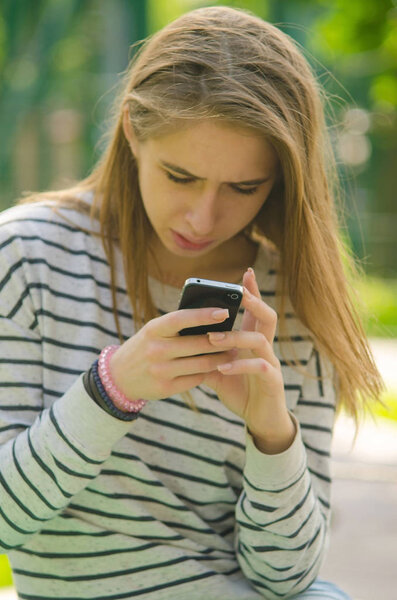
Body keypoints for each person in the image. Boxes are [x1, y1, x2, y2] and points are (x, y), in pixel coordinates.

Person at [0, 6, 383, 600]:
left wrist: (270, 433)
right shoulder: (25, 257)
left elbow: (286, 578)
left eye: (243, 188)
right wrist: (112, 388)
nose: (204, 219)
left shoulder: (294, 300)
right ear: (131, 130)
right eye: (180, 176)